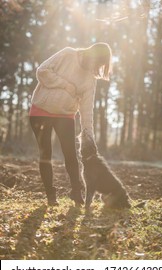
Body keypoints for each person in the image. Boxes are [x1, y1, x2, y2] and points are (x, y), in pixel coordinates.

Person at [29, 42, 112, 206]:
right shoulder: (68, 54)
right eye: (98, 62)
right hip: (41, 110)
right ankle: (51, 196)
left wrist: (89, 135)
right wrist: (66, 85)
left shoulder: (90, 79)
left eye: (101, 65)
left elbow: (87, 110)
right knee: (45, 154)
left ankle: (76, 192)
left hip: (65, 115)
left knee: (71, 156)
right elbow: (42, 71)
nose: (96, 67)